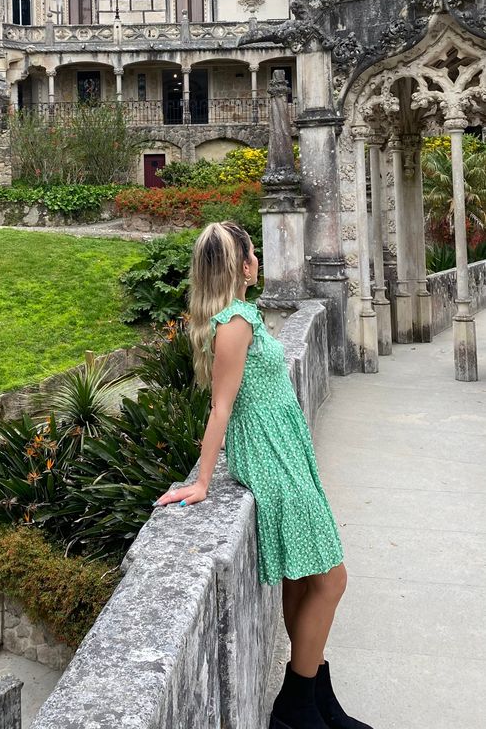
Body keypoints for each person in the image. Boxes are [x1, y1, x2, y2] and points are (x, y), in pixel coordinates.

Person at [154, 222, 372, 729]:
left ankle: (316, 695)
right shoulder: (234, 323)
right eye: (253, 252)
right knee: (332, 579)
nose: (258, 260)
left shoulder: (242, 316)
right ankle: (296, 703)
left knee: (303, 578)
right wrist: (203, 481)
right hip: (269, 454)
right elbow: (220, 408)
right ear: (246, 265)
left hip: (285, 448)